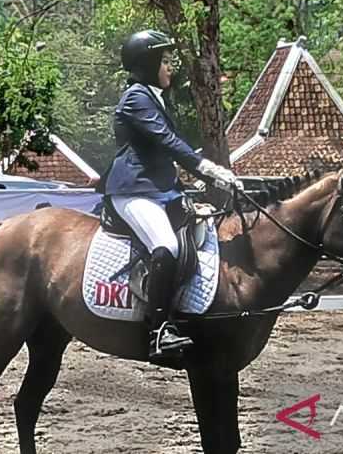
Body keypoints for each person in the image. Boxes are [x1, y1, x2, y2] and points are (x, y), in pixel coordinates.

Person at [98, 29, 241, 363]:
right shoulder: (136, 97)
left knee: (200, 230)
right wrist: (212, 170)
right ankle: (159, 330)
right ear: (147, 64)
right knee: (168, 246)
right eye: (164, 61)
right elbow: (169, 143)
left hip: (159, 190)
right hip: (133, 190)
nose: (170, 67)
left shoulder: (155, 97)